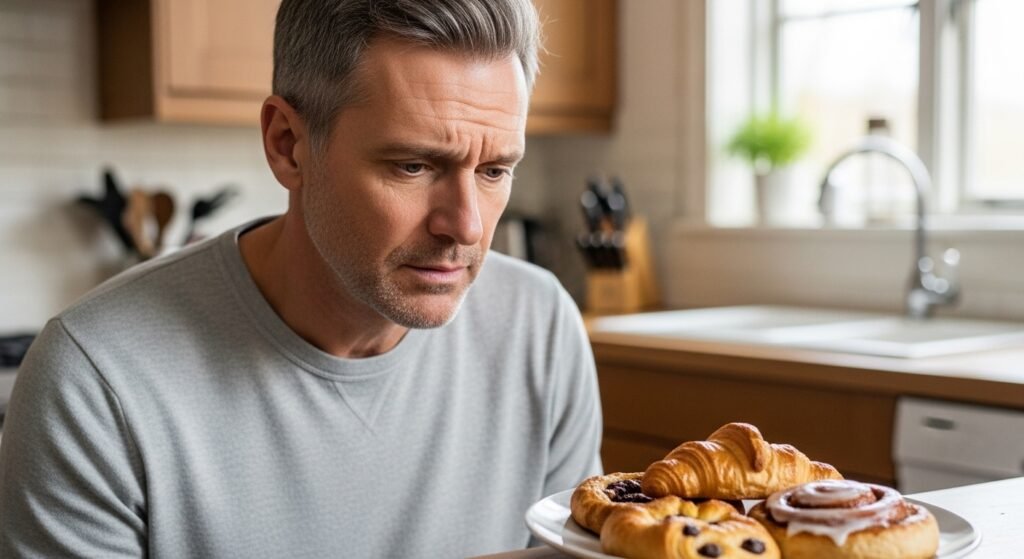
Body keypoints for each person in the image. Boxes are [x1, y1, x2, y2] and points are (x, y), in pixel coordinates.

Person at [0, 1, 603, 557]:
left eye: (496, 170)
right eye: (413, 166)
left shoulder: (540, 328)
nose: (466, 226)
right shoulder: (95, 380)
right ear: (288, 145)